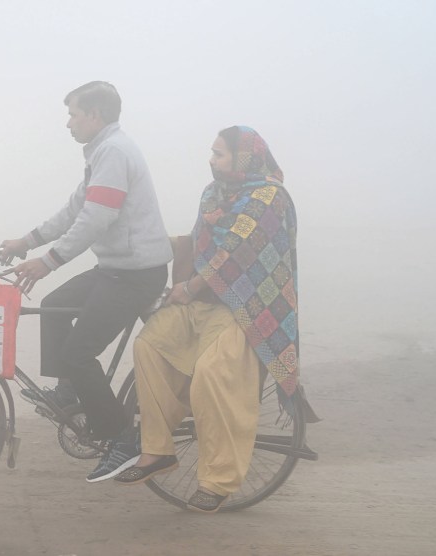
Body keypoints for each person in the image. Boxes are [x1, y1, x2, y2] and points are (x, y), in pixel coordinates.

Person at [115, 126, 302, 512]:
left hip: (246, 308)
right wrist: (146, 243)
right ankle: (157, 450)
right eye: (212, 152)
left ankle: (218, 481)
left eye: (219, 154)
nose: (211, 160)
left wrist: (190, 287)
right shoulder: (213, 194)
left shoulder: (268, 198)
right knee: (149, 345)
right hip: (200, 300)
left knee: (211, 374)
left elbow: (233, 252)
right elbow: (199, 242)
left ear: (244, 158)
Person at [0, 81, 172, 482]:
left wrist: (49, 260)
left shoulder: (114, 151)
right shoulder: (101, 151)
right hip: (116, 268)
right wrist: (26, 242)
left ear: (95, 115)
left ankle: (123, 440)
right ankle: (69, 392)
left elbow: (96, 217)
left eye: (74, 114)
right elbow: (76, 207)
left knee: (78, 353)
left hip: (135, 274)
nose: (69, 123)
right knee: (54, 306)